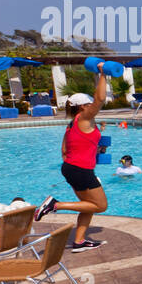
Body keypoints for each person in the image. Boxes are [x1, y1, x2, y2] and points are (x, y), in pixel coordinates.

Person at [34, 70, 109, 251]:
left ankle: (79, 241)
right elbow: (100, 99)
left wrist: (93, 151)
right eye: (89, 103)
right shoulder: (84, 118)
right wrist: (103, 74)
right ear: (82, 107)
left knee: (88, 207)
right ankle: (55, 204)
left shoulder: (72, 124)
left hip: (72, 168)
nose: (93, 104)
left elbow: (65, 150)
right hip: (80, 170)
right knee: (100, 206)